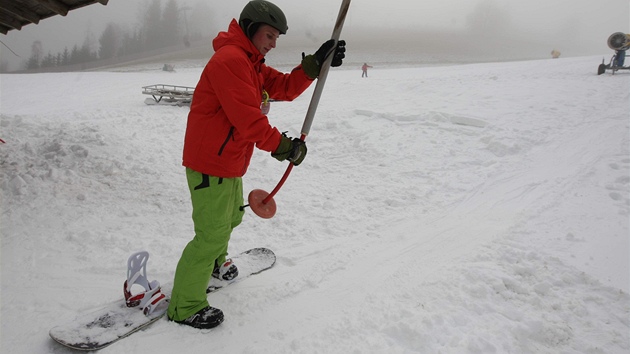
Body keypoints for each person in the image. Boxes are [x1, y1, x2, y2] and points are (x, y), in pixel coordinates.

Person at [167, 0, 346, 330]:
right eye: (269, 35)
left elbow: (281, 87)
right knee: (210, 234)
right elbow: (249, 121)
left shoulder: (251, 62)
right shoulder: (231, 61)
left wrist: (314, 65)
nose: (273, 43)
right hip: (211, 162)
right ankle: (185, 304)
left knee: (230, 217)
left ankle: (216, 264)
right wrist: (286, 147)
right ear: (251, 30)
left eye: (277, 37)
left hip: (229, 160)